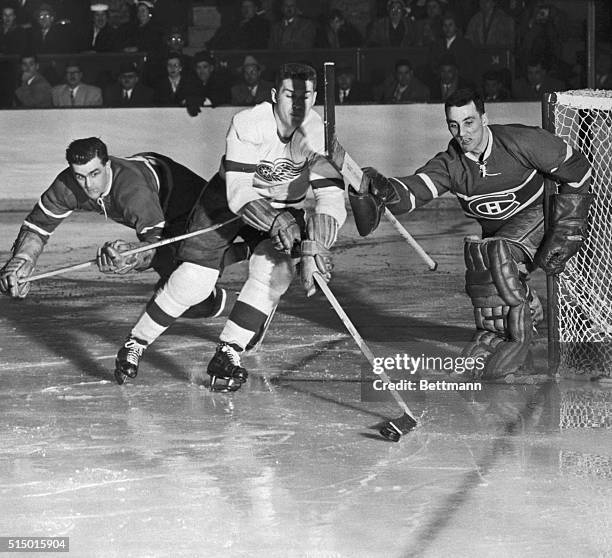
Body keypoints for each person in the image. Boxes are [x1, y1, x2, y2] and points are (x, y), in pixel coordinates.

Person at [113, 62, 346, 391]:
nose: (297, 105)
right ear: (273, 94)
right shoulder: (248, 123)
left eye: (305, 97)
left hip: (286, 207)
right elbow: (240, 192)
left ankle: (228, 352)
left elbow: (330, 197)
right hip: (224, 203)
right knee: (193, 280)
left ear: (315, 97)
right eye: (289, 95)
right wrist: (276, 220)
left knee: (274, 271)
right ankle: (136, 343)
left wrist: (316, 244)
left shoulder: (318, 131)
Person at [349, 88, 592, 343]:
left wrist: (567, 228)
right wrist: (381, 189)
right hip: (501, 236)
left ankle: (524, 326)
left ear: (484, 119)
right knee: (483, 266)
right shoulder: (450, 164)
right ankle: (508, 335)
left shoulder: (522, 141)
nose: (462, 133)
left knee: (498, 254)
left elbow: (578, 170)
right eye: (453, 125)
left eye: (469, 122)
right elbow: (410, 194)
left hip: (540, 217)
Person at [0, 136, 227, 322]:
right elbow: (37, 226)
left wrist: (130, 256)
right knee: (178, 295)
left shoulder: (132, 190)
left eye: (94, 174)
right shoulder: (67, 185)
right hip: (156, 196)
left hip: (188, 204)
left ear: (107, 165)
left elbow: (155, 247)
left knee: (188, 297)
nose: (88, 185)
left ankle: (243, 302)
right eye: (80, 176)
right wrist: (22, 260)